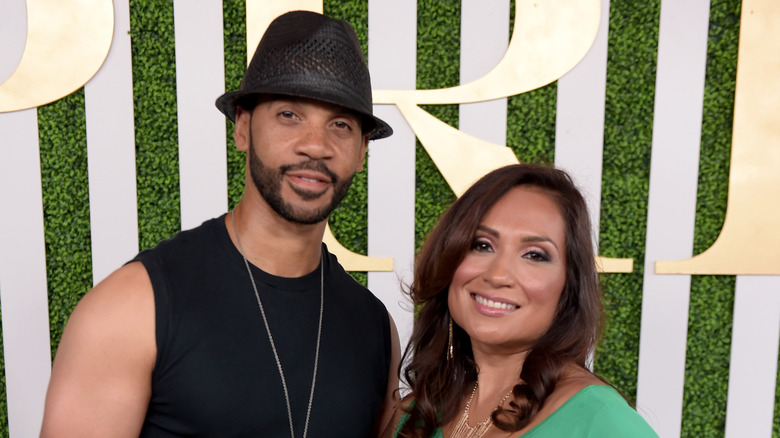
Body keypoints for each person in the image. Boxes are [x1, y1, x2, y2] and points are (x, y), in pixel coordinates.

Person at [41, 10, 400, 438]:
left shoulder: (373, 328)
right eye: (289, 115)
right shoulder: (134, 306)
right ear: (243, 128)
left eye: (340, 125)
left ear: (361, 151)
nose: (315, 145)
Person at [383, 164, 658, 438]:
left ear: (569, 286)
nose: (498, 275)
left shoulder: (600, 419)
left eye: (535, 255)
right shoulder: (415, 415)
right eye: (481, 245)